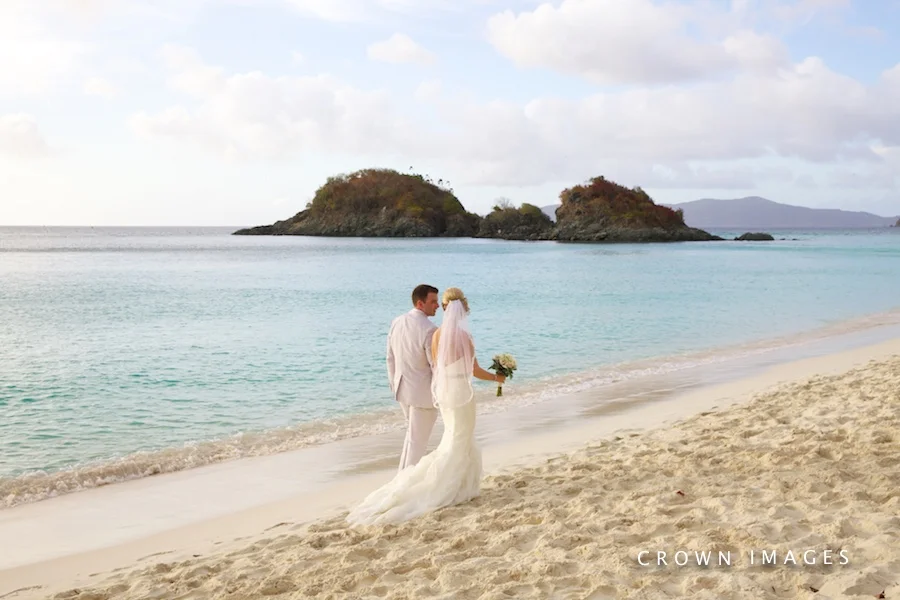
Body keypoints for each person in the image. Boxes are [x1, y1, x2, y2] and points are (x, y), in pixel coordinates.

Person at [346, 287, 505, 526]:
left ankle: (406, 481)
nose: (434, 306)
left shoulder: (415, 327)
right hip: (449, 394)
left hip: (412, 391)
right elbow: (467, 369)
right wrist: (497, 378)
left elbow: (395, 358)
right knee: (445, 440)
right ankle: (409, 485)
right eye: (431, 301)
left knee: (444, 439)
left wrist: (395, 385)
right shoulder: (447, 334)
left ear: (444, 307)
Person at [387, 284, 440, 471]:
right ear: (420, 303)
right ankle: (405, 487)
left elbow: (390, 358)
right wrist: (439, 394)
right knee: (417, 445)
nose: (438, 306)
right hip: (422, 396)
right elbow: (435, 366)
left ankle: (400, 481)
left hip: (402, 390)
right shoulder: (430, 329)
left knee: (411, 440)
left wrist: (394, 384)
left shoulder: (397, 321)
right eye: (433, 302)